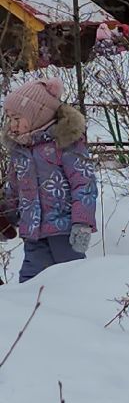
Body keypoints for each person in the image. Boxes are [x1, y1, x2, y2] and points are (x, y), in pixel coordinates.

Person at [2, 76, 96, 281]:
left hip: (65, 230)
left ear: (38, 114)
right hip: (33, 231)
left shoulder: (65, 143)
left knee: (73, 279)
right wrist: (5, 219)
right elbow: (13, 190)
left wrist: (82, 222)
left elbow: (84, 184)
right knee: (30, 283)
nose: (12, 125)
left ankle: (83, 310)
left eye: (17, 118)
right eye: (10, 119)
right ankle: (30, 312)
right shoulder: (20, 151)